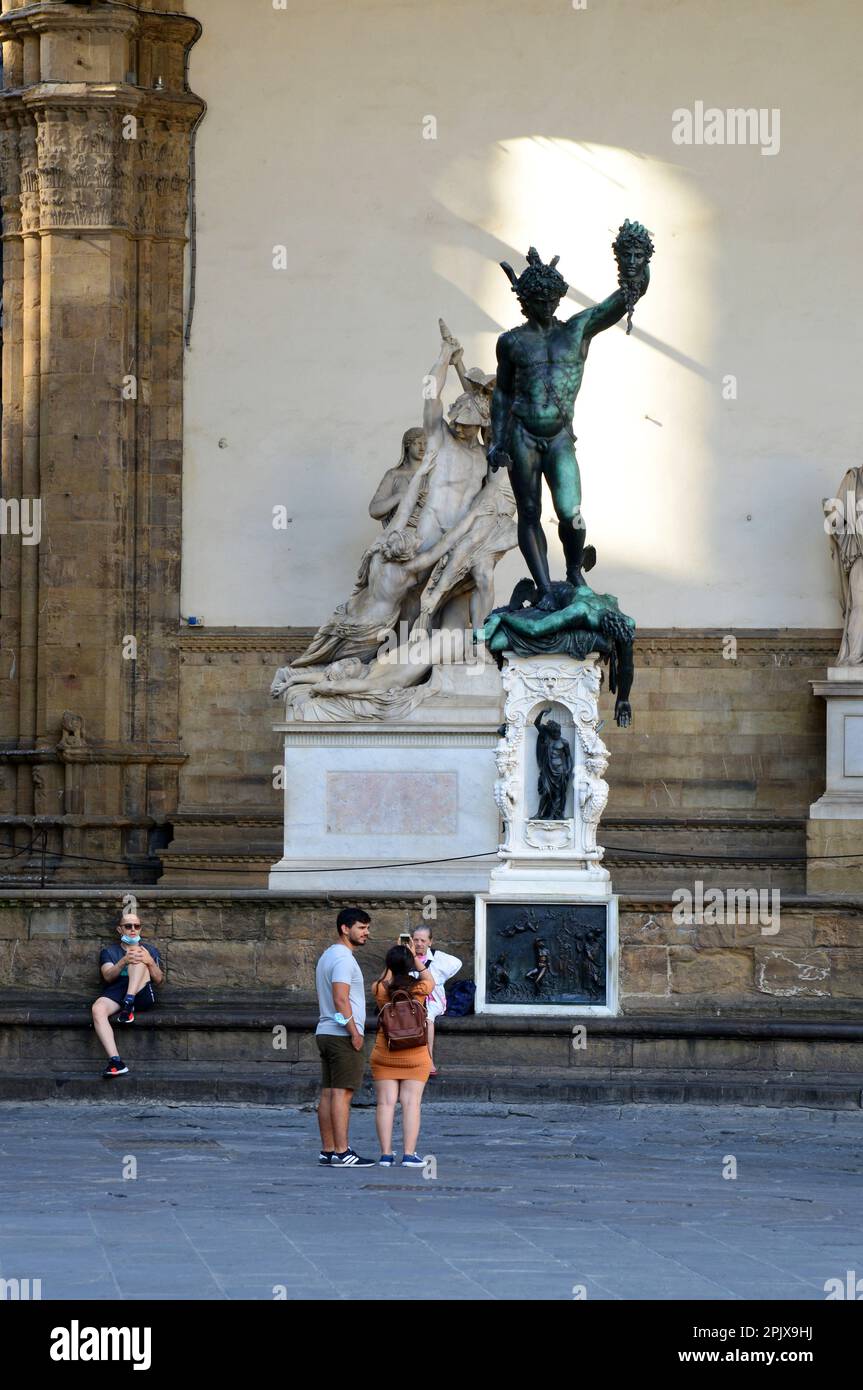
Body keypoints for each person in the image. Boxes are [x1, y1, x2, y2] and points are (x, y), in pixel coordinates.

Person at [315, 907, 376, 1168]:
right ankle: (342, 1151)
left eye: (367, 928)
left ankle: (328, 1150)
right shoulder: (343, 959)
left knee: (329, 1094)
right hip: (340, 1035)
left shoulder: (328, 955)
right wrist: (353, 1031)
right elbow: (340, 999)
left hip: (326, 1032)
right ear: (345, 928)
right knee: (342, 1095)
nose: (367, 933)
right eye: (362, 928)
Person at [371, 940, 434, 1166]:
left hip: (384, 1051)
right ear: (410, 965)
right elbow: (429, 979)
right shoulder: (419, 989)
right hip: (415, 1053)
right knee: (411, 1104)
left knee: (385, 1104)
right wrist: (412, 956)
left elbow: (383, 980)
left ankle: (386, 1155)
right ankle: (409, 1154)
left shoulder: (379, 989)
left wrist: (393, 959)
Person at [93, 912, 164, 1078]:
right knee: (98, 1009)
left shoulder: (150, 950)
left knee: (138, 957)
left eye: (136, 926)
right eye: (128, 926)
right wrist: (123, 961)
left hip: (142, 991)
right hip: (117, 990)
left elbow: (159, 979)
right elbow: (108, 976)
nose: (133, 929)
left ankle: (129, 1002)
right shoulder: (109, 952)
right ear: (120, 929)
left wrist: (149, 961)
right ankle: (116, 1062)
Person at [410, 925, 462, 1075]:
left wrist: (439, 978)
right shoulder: (405, 955)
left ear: (430, 942)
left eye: (422, 940)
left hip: (432, 1000)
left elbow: (457, 963)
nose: (419, 943)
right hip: (411, 998)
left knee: (427, 1017)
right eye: (415, 940)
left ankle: (428, 1059)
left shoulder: (437, 957)